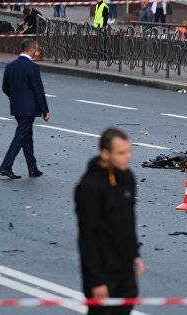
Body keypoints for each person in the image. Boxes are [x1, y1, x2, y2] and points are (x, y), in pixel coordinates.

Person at [75, 128, 146, 315]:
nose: (128, 157)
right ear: (105, 154)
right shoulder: (89, 187)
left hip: (125, 267)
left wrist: (135, 254)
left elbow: (129, 221)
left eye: (129, 151)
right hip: (102, 270)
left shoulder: (127, 178)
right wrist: (96, 280)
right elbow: (87, 236)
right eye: (121, 153)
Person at [0, 38, 50, 179]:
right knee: (20, 136)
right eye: (36, 49)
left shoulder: (10, 66)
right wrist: (45, 110)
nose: (36, 52)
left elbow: (5, 88)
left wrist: (14, 98)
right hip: (29, 108)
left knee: (27, 137)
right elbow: (38, 90)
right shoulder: (32, 67)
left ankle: (32, 168)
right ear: (32, 49)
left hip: (16, 107)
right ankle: (6, 166)